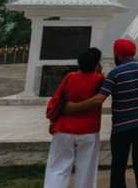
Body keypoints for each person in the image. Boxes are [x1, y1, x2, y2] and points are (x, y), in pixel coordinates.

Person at [64, 39, 138, 188]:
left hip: (122, 128)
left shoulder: (115, 73)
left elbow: (99, 99)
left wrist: (73, 107)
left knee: (118, 166)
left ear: (118, 55)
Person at [44, 48, 105, 188]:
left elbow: (56, 100)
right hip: (89, 130)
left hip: (64, 128)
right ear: (97, 64)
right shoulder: (100, 79)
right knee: (86, 171)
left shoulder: (70, 77)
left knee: (58, 169)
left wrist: (53, 120)